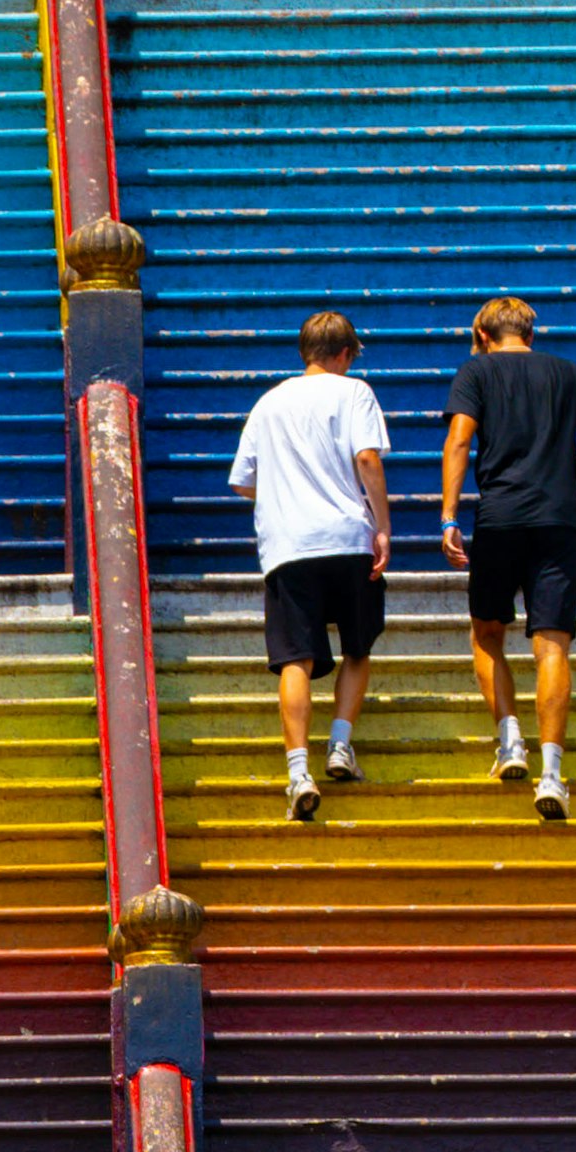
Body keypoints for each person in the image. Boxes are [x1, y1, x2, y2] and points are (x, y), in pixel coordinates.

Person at [437, 288, 576, 827]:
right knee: (551, 647)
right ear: (531, 334)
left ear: (481, 336)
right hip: (562, 521)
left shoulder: (475, 374)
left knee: (487, 633)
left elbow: (458, 441)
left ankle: (511, 740)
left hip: (500, 518)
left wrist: (449, 516)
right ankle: (551, 774)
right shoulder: (567, 372)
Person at [229, 304, 390, 826]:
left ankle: (299, 771)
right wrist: (382, 524)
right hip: (347, 538)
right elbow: (367, 458)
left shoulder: (268, 403)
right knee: (357, 647)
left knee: (294, 659)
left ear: (303, 353)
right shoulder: (355, 392)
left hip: (288, 547)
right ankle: (340, 745)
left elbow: (241, 482)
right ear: (346, 353)